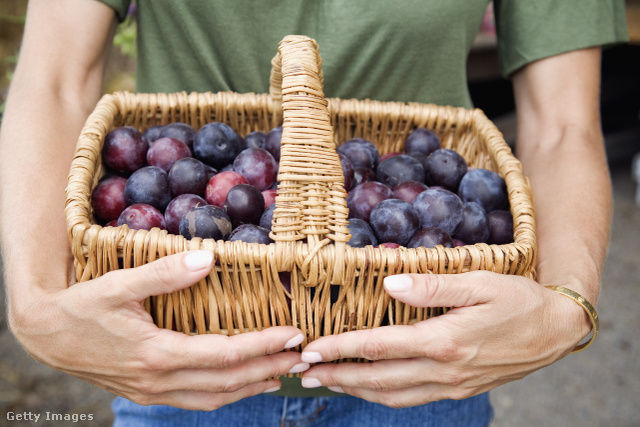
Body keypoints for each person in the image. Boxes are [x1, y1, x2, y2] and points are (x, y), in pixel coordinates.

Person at [0, 0, 628, 425]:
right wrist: (34, 302)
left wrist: (568, 309)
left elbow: (563, 127)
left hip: (423, 363)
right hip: (179, 357)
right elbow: (54, 80)